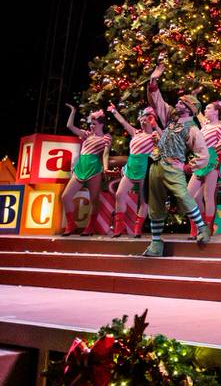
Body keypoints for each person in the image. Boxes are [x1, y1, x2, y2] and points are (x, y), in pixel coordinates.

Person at [143, 60, 212, 256]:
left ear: (190, 109)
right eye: (179, 101)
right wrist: (154, 79)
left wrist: (186, 168)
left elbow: (203, 155)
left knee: (183, 196)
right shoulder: (170, 118)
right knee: (155, 202)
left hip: (174, 167)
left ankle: (202, 227)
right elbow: (156, 100)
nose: (178, 103)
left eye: (182, 102)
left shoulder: (192, 129)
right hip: (157, 164)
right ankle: (156, 243)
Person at [107, 104, 157, 238]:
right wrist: (114, 111)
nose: (141, 121)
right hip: (131, 167)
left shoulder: (154, 135)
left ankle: (137, 228)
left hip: (145, 168)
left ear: (151, 119)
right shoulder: (136, 132)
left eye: (144, 119)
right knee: (119, 194)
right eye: (140, 120)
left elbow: (164, 140)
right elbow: (123, 122)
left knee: (144, 200)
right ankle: (119, 226)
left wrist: (156, 126)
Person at [61, 106, 111, 236]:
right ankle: (71, 225)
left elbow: (105, 154)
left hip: (94, 169)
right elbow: (70, 126)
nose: (91, 126)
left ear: (101, 124)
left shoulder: (106, 138)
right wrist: (73, 112)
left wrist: (105, 168)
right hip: (80, 168)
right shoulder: (86, 134)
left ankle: (90, 227)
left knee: (94, 200)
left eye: (94, 124)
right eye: (91, 124)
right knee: (65, 197)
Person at [188, 101, 221, 239]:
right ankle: (197, 226)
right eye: (205, 108)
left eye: (208, 108)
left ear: (216, 112)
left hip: (212, 160)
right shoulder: (205, 126)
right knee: (189, 195)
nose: (206, 111)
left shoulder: (220, 127)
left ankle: (207, 228)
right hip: (200, 159)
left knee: (208, 197)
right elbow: (198, 113)